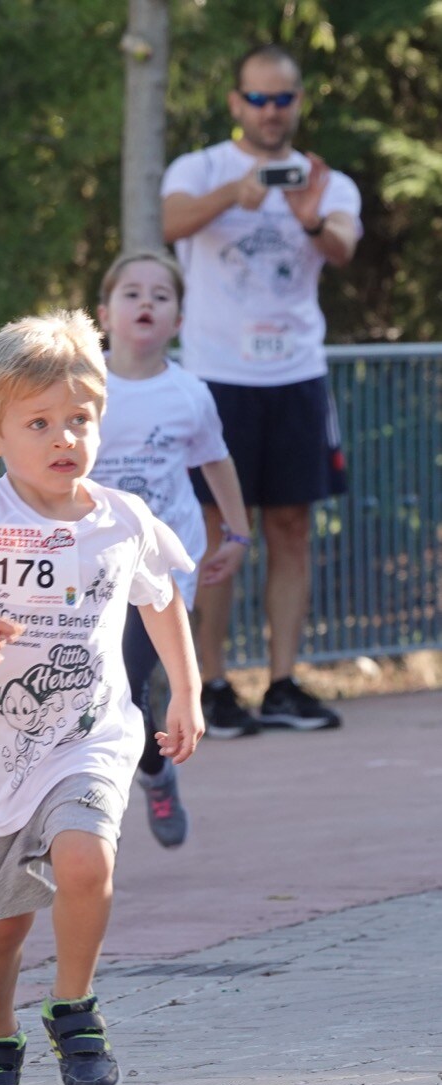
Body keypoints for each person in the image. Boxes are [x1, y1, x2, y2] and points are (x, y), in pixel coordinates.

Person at [0, 309, 204, 1085]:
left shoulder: (121, 519)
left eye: (80, 419)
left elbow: (160, 600)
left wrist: (185, 693)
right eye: (40, 424)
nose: (65, 438)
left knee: (85, 859)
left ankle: (75, 1007)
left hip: (89, 737)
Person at [161, 43, 362, 738]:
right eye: (258, 98)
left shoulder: (323, 178)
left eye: (283, 99)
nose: (271, 112)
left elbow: (340, 243)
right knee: (218, 528)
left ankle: (281, 682)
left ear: (297, 103)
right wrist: (233, 196)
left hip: (296, 376)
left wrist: (305, 214)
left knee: (289, 528)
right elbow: (170, 224)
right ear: (235, 103)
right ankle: (211, 685)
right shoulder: (201, 167)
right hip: (218, 377)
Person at [91, 250, 251, 848]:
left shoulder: (190, 393)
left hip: (162, 565)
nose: (146, 303)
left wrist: (236, 533)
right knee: (97, 689)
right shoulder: (83, 384)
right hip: (89, 564)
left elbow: (216, 461)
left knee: (125, 683)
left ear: (178, 319)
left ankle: (145, 781)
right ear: (104, 312)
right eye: (132, 292)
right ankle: (144, 771)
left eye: (161, 295)